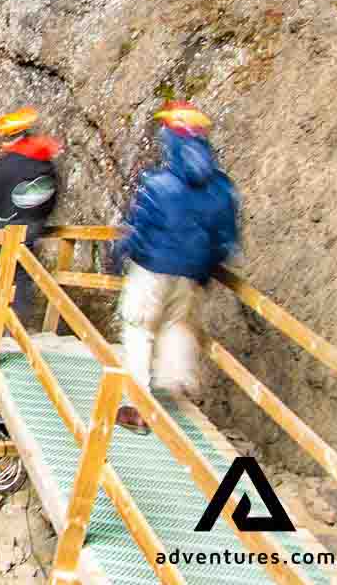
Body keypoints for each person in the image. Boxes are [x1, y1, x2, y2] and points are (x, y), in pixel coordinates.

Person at [107, 101, 239, 434]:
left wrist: (120, 254)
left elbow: (139, 227)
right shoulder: (222, 188)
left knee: (139, 327)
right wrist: (204, 270)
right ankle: (176, 387)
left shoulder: (159, 183)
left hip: (152, 268)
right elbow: (226, 239)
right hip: (191, 274)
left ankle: (138, 406)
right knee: (178, 324)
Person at [0, 107, 63, 339]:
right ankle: (16, 328)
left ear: (9, 138)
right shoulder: (45, 163)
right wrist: (38, 222)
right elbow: (52, 195)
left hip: (1, 228)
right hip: (30, 229)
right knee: (21, 277)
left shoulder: (10, 163)